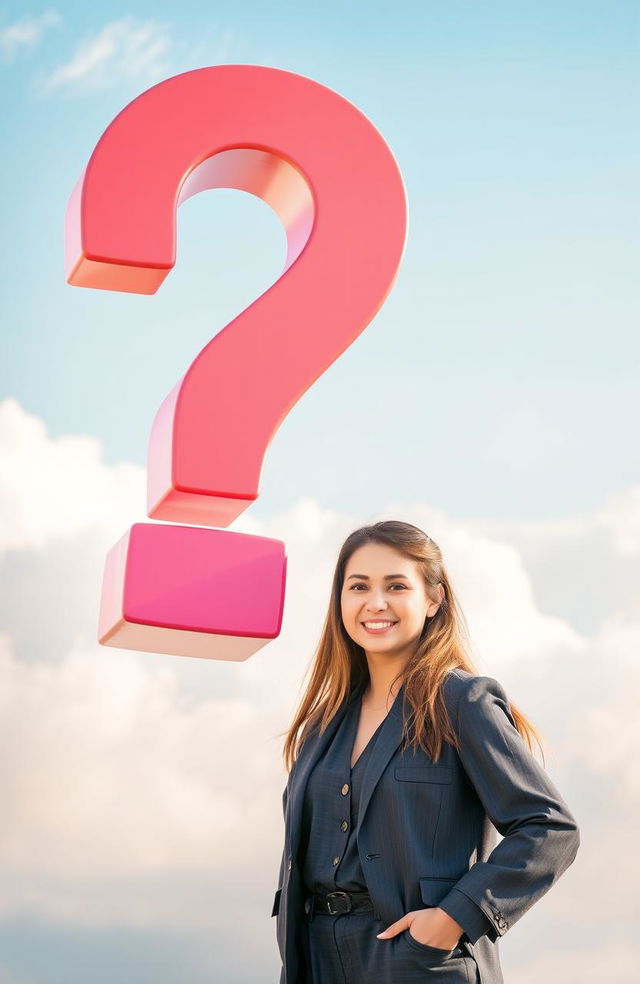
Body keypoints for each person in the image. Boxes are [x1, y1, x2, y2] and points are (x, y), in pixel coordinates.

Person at [272, 520, 580, 984]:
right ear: (341, 601)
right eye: (359, 587)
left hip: (418, 962)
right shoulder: (321, 724)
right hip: (316, 958)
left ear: (433, 598)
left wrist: (455, 917)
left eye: (396, 586)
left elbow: (549, 828)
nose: (375, 603)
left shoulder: (461, 702)